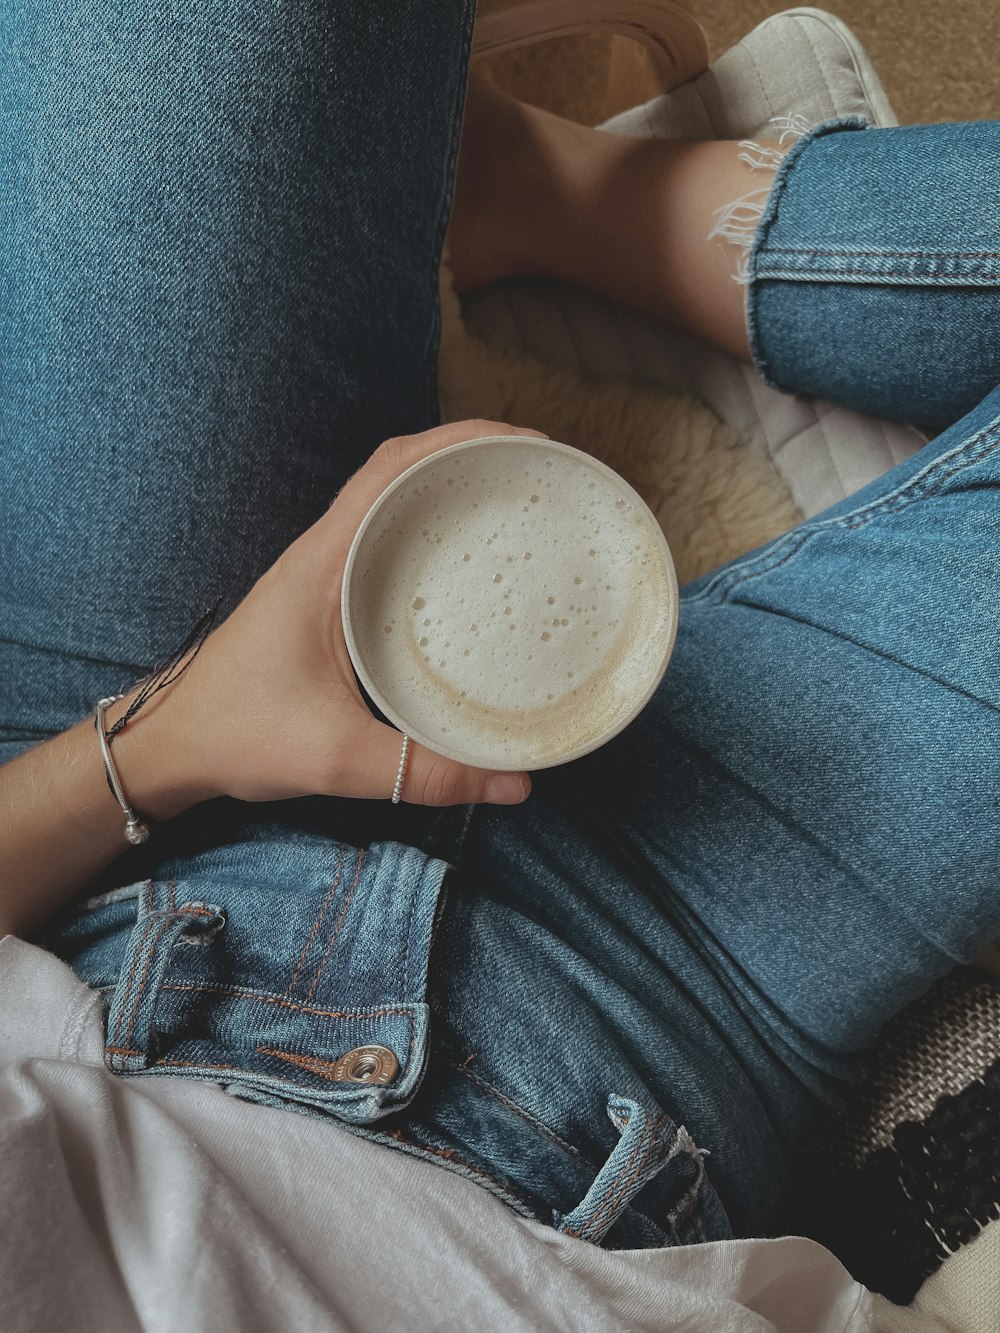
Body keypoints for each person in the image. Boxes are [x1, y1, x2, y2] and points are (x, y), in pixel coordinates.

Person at [2, 2, 999, 1326]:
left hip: (107, 841)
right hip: (629, 1046)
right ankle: (593, 205)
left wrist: (151, 747)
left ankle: (570, 202)